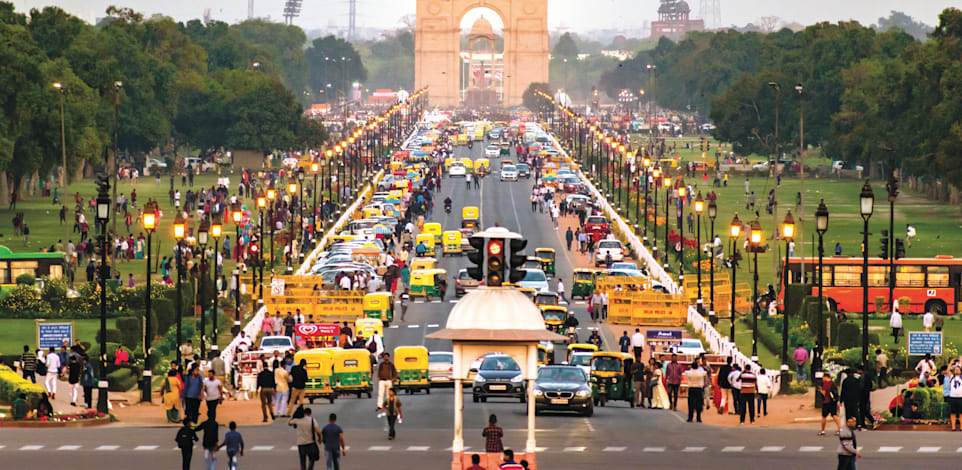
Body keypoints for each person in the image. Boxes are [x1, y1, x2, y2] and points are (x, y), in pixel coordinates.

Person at [945, 366, 962, 431]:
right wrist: (950, 364)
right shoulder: (952, 377)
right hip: (953, 397)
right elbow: (947, 371)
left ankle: (961, 427)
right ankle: (953, 427)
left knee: (961, 413)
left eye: (958, 369)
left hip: (960, 397)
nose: (957, 370)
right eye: (956, 369)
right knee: (953, 413)